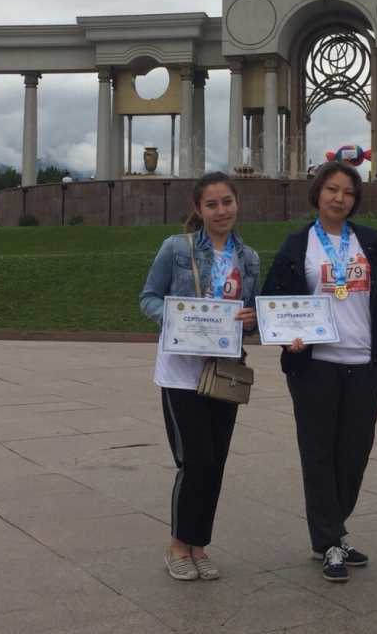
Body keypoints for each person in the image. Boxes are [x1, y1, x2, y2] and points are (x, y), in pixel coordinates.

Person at [261, 161, 377, 582]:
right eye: (332, 189)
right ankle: (329, 540)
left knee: (354, 454)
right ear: (317, 193)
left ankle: (332, 529)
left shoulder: (370, 242)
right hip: (316, 367)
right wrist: (286, 337)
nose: (339, 198)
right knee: (318, 454)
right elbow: (273, 300)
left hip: (364, 364)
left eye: (347, 192)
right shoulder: (298, 245)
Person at [139, 172, 260, 582]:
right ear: (198, 209)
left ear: (237, 203)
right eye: (212, 204)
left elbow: (252, 317)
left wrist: (251, 321)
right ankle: (178, 545)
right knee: (195, 461)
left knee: (216, 462)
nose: (221, 211)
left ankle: (200, 546)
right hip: (181, 373)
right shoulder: (176, 248)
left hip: (223, 372)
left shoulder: (249, 258)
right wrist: (177, 320)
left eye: (227, 202)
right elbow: (148, 297)